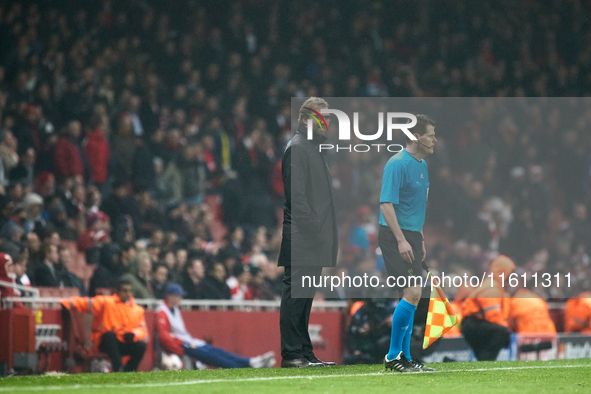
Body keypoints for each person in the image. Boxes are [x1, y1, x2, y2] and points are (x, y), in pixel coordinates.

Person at [278, 97, 338, 368]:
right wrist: (316, 227)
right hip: (303, 237)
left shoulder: (312, 148)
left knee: (305, 298)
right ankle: (291, 354)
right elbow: (296, 198)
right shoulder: (299, 148)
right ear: (304, 119)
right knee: (296, 297)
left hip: (312, 238)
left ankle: (303, 352)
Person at [379, 114, 437, 372]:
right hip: (394, 235)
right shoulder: (397, 163)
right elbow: (386, 204)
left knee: (412, 294)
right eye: (430, 134)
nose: (435, 139)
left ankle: (404, 356)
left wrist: (419, 237)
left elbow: (418, 205)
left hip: (412, 235)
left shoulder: (422, 165)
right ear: (416, 136)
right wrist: (402, 240)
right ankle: (393, 356)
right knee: (413, 292)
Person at [156, 283, 275, 369]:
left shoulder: (174, 309)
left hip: (186, 341)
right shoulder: (162, 311)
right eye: (178, 296)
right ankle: (245, 365)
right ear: (170, 296)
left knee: (216, 351)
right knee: (211, 356)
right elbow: (163, 335)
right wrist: (180, 346)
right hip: (181, 344)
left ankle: (250, 361)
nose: (180, 298)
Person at [61, 279, 147, 372]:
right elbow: (86, 303)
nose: (128, 293)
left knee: (141, 346)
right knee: (109, 335)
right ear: (118, 291)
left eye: (130, 291)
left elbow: (142, 329)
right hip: (105, 343)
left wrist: (134, 335)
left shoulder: (137, 310)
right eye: (124, 290)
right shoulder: (106, 302)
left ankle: (129, 371)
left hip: (124, 341)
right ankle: (118, 368)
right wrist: (68, 304)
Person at [461, 255, 515, 361]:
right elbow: (493, 316)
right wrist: (507, 332)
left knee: (482, 358)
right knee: (501, 332)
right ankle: (488, 361)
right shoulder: (492, 288)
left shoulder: (494, 286)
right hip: (474, 324)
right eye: (510, 274)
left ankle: (450, 361)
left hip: (473, 324)